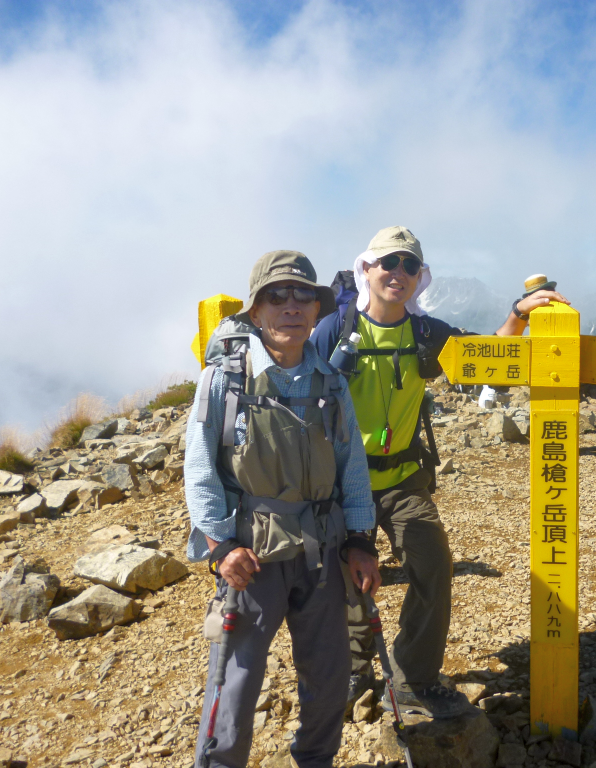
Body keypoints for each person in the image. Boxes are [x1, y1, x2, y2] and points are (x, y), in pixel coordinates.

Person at [312, 226, 569, 718]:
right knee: (345, 580)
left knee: (432, 566)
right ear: (367, 269)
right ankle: (354, 668)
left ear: (419, 276)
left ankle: (414, 677)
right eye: (390, 263)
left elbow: (488, 361)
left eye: (410, 265)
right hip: (342, 482)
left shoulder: (427, 333)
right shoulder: (336, 331)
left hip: (405, 478)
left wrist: (518, 314)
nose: (399, 274)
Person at [185, 251, 381, 768]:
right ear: (255, 310)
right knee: (237, 681)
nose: (291, 306)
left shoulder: (331, 383)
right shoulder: (224, 380)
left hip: (323, 548)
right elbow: (201, 469)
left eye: (303, 296)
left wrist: (361, 540)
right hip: (252, 553)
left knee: (330, 672)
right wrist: (221, 546)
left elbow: (351, 466)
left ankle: (315, 760)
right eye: (277, 295)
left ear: (317, 310)